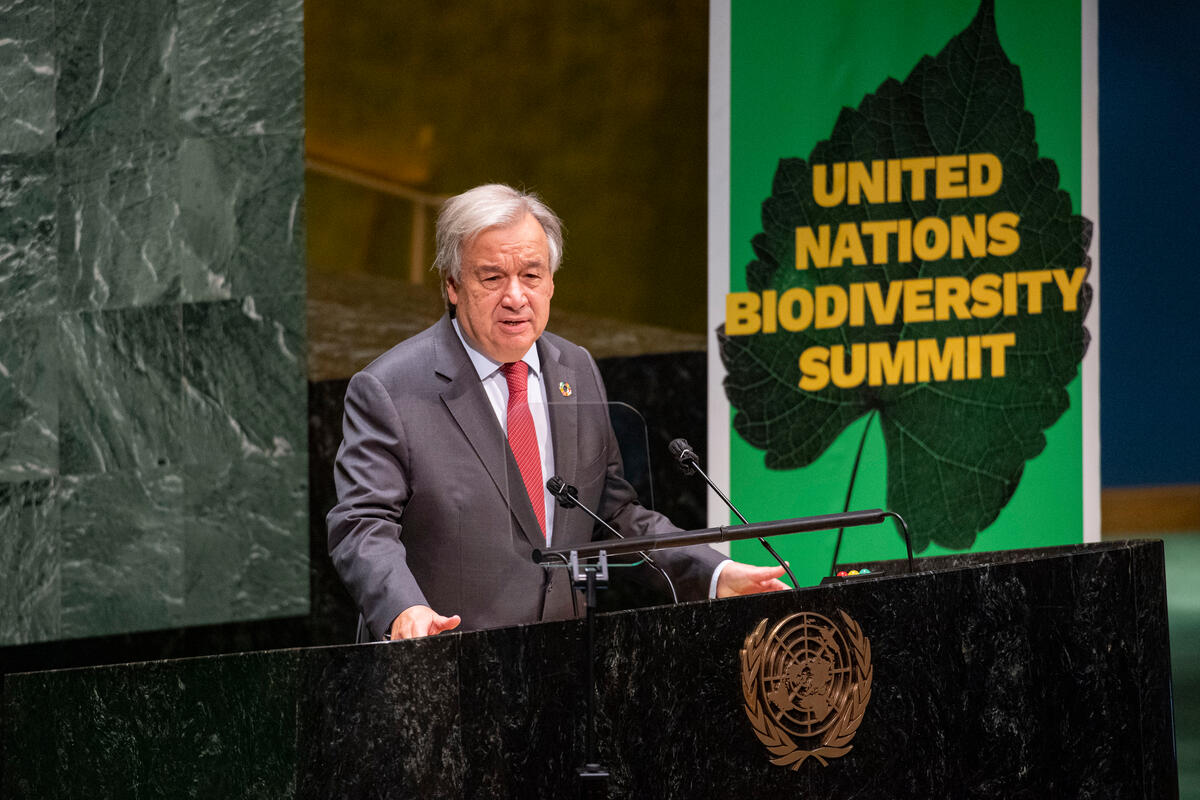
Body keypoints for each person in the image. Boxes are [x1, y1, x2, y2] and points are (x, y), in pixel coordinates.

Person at [327, 183, 787, 641]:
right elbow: (361, 525)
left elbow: (614, 513)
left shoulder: (576, 368)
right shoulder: (391, 388)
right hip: (447, 668)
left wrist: (712, 572)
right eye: (491, 278)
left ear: (551, 283)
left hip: (563, 668)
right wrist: (404, 608)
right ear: (452, 285)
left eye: (531, 275)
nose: (515, 296)